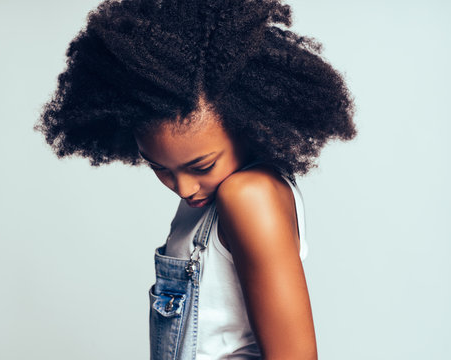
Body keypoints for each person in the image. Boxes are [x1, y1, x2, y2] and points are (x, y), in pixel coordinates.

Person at [35, 0, 356, 358]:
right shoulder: (211, 202)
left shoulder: (249, 195)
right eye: (160, 168)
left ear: (246, 126)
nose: (185, 188)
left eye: (202, 166)